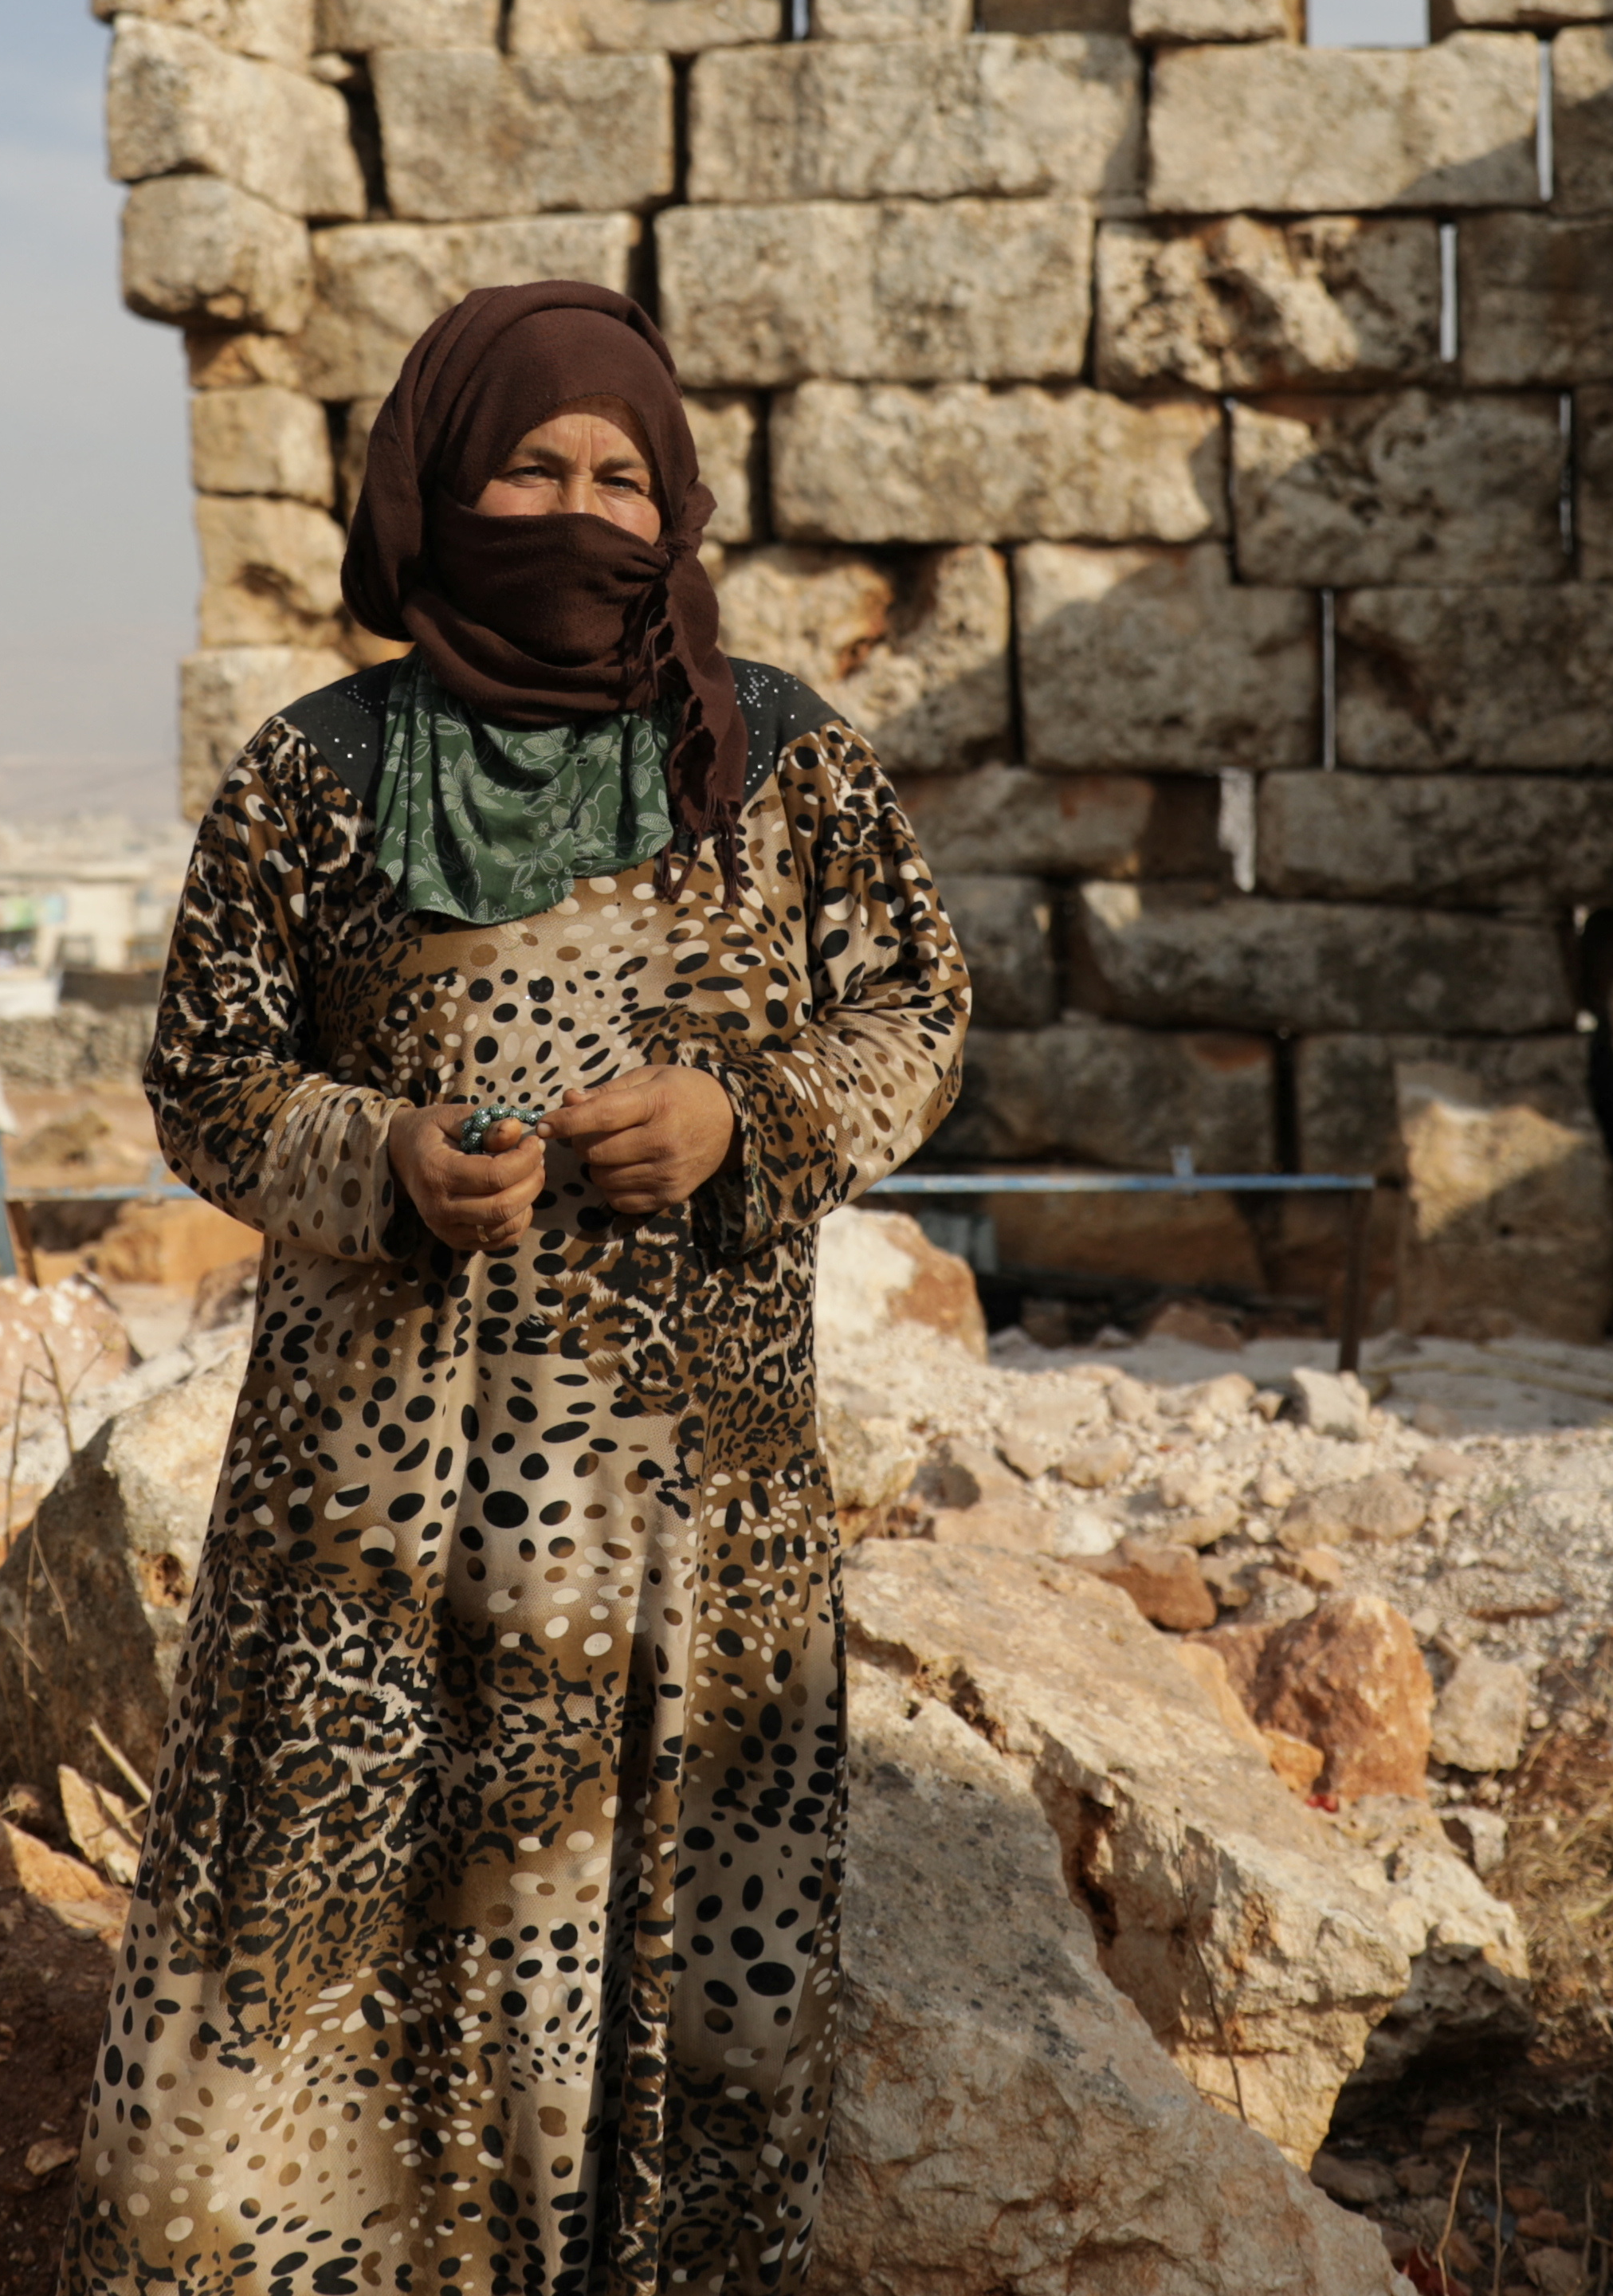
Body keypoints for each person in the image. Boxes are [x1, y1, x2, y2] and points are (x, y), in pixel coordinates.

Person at [60, 280, 970, 2296]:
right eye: (530, 466)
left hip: (686, 1529)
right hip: (368, 1532)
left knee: (667, 2011)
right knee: (287, 2028)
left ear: (681, 508)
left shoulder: (785, 762)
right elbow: (204, 1075)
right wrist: (374, 1157)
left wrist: (750, 1119)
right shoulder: (314, 774)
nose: (581, 509)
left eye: (623, 474)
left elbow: (919, 1007)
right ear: (436, 486)